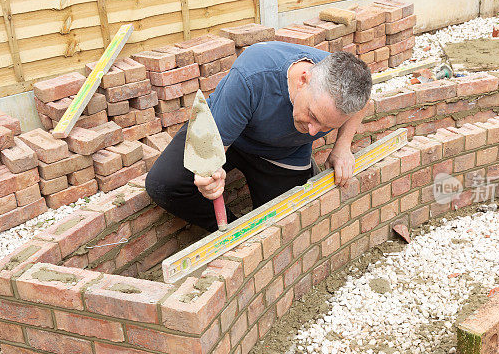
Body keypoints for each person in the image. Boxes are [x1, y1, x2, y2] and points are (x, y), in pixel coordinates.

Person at [145, 41, 372, 232]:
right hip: (227, 136)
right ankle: (234, 233)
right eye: (312, 116)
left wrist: (342, 148)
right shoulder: (251, 77)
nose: (313, 132)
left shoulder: (346, 82)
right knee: (165, 183)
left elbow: (362, 105)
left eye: (325, 126)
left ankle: (258, 233)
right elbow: (212, 160)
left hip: (283, 153)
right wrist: (210, 175)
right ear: (303, 80)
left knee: (286, 224)